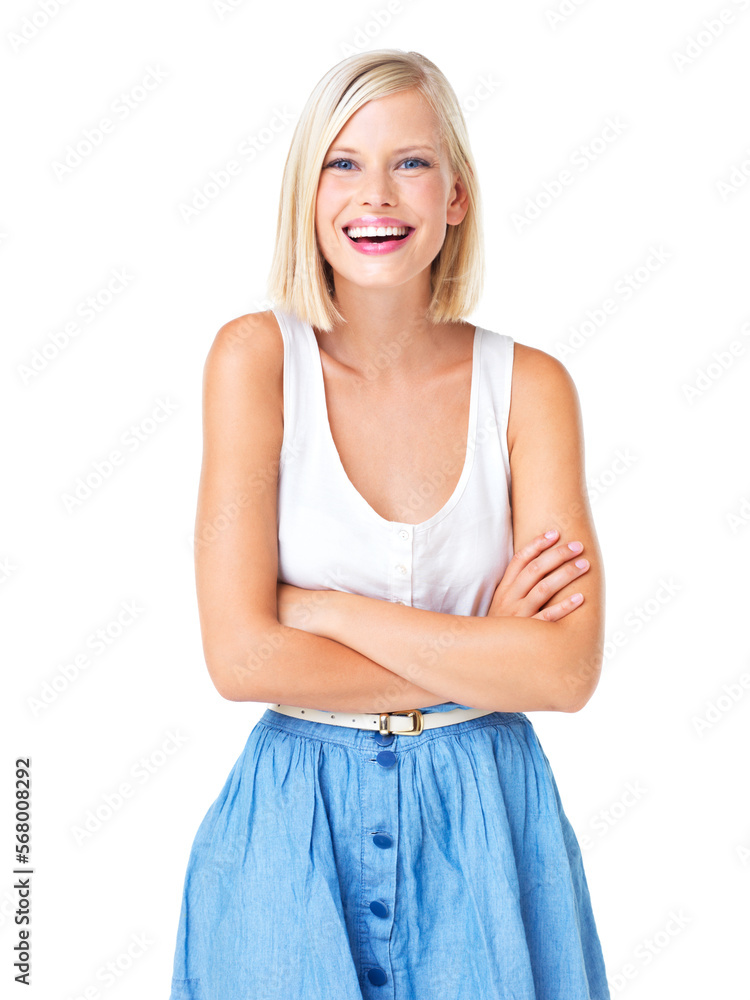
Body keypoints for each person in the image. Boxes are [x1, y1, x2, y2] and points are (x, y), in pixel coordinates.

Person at [168, 49, 611, 1000]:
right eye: (344, 162)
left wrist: (322, 610)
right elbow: (241, 661)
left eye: (411, 162)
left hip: (490, 822)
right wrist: (488, 650)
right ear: (308, 190)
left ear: (455, 196)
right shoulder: (254, 362)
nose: (377, 194)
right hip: (291, 830)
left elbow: (566, 672)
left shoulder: (530, 388)